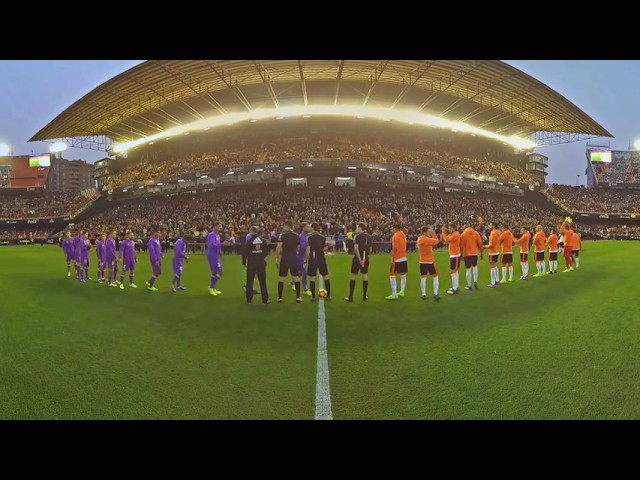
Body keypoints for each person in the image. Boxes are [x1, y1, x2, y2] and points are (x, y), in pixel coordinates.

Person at [275, 220, 302, 303]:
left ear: (287, 226)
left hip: (285, 258)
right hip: (294, 258)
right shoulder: (297, 236)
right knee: (296, 277)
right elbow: (298, 249)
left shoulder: (282, 235)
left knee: (281, 278)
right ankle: (298, 297)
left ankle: (280, 297)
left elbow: (278, 248)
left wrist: (276, 258)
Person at [242, 225, 270, 304]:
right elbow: (266, 252)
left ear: (251, 231)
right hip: (261, 263)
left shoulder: (249, 241)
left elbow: (245, 254)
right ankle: (265, 300)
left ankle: (249, 300)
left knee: (250, 282)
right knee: (263, 282)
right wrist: (261, 256)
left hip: (252, 264)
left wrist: (244, 263)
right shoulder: (263, 240)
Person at [345, 222, 372, 302]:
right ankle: (364, 296)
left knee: (353, 275)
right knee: (365, 276)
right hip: (365, 258)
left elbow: (356, 249)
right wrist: (364, 258)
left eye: (357, 227)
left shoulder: (357, 236)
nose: (356, 229)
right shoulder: (369, 237)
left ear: (360, 228)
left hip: (357, 258)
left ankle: (350, 297)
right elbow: (370, 249)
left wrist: (360, 260)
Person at [306, 222, 331, 302]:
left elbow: (308, 249)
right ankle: (329, 296)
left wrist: (307, 259)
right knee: (325, 276)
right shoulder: (322, 237)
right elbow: (324, 248)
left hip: (313, 258)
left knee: (312, 277)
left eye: (310, 227)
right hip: (321, 258)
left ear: (313, 228)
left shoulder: (309, 237)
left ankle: (313, 296)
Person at [417, 226, 441, 301]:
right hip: (430, 261)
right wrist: (434, 234)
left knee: (423, 278)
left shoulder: (420, 239)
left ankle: (423, 294)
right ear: (424, 232)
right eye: (428, 231)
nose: (429, 232)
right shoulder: (427, 239)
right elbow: (436, 241)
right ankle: (435, 293)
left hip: (422, 261)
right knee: (435, 276)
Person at [386, 224, 408, 300]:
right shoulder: (403, 235)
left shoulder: (395, 236)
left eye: (392, 228)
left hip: (397, 258)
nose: (391, 230)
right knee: (403, 275)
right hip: (404, 257)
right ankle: (402, 291)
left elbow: (395, 248)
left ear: (395, 228)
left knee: (392, 274)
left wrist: (392, 257)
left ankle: (394, 293)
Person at [460, 224, 483, 291]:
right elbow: (480, 243)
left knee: (468, 270)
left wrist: (461, 254)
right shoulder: (476, 233)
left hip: (467, 254)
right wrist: (481, 252)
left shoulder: (463, 234)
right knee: (475, 267)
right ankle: (475, 281)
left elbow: (461, 246)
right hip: (475, 253)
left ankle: (469, 285)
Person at [441, 224, 461, 295]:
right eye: (448, 228)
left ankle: (455, 289)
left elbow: (446, 239)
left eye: (450, 228)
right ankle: (456, 287)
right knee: (455, 271)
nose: (449, 229)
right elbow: (445, 240)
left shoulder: (456, 234)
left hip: (455, 255)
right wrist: (444, 233)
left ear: (454, 228)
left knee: (453, 271)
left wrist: (443, 232)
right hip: (454, 255)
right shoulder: (452, 234)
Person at [292, 223, 311, 296]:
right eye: (307, 227)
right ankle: (305, 288)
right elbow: (300, 248)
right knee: (304, 272)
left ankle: (293, 281)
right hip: (300, 257)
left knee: (300, 272)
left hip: (303, 256)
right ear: (303, 228)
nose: (309, 228)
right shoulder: (301, 237)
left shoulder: (307, 236)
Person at [206, 223, 224, 296]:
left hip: (216, 256)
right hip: (212, 256)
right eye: (219, 226)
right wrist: (222, 244)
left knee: (217, 272)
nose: (221, 227)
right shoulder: (212, 235)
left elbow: (217, 247)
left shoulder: (217, 235)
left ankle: (212, 287)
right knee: (219, 272)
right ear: (215, 227)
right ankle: (211, 287)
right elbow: (212, 245)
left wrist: (220, 253)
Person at [485, 223, 501, 287]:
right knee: (495, 266)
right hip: (497, 251)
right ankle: (497, 280)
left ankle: (493, 283)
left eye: (490, 225)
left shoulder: (493, 233)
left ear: (493, 226)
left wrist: (484, 247)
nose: (489, 226)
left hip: (492, 252)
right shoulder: (498, 232)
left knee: (492, 267)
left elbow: (491, 245)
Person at [146, 227, 163, 291]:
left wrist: (161, 253)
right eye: (158, 232)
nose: (159, 233)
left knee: (158, 272)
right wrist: (155, 260)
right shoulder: (152, 240)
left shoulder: (157, 239)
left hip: (158, 258)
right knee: (156, 272)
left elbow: (157, 249)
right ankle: (150, 286)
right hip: (155, 259)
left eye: (159, 232)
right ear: (154, 232)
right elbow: (152, 251)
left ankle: (149, 282)